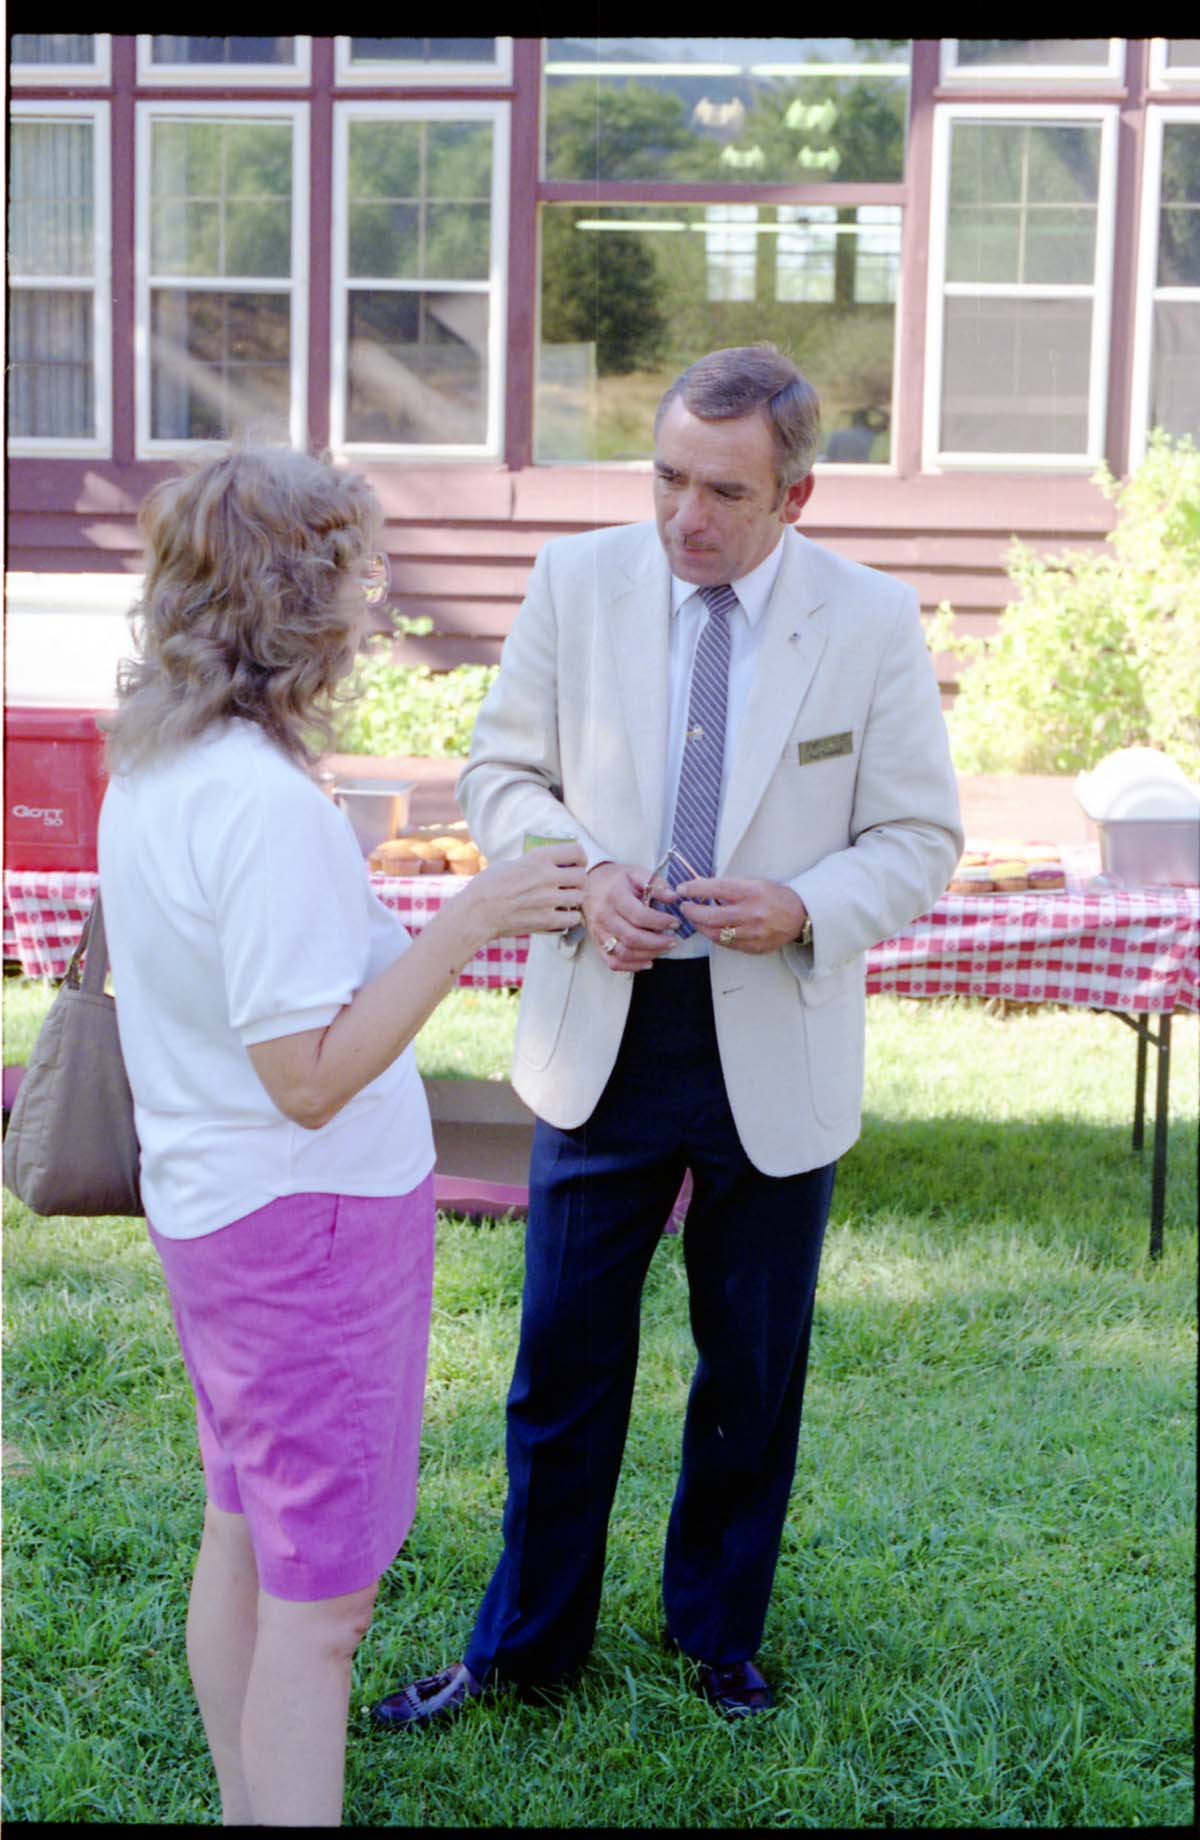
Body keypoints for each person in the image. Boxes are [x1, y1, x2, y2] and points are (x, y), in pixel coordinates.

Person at [371, 343, 962, 1728]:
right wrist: (580, 877)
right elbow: (499, 770)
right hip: (605, 1025)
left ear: (797, 495)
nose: (687, 515)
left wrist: (808, 902)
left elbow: (922, 837)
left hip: (777, 1038)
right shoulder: (577, 584)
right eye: (667, 479)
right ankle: (524, 1647)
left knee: (752, 1366)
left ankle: (718, 1633)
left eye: (724, 492)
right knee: (564, 1359)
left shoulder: (870, 620)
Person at [97, 444, 586, 1825]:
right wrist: (467, 921)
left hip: (221, 1216)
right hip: (306, 1230)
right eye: (358, 577)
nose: (374, 607)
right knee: (324, 1615)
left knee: (246, 1540)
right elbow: (306, 1077)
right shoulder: (258, 804)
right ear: (297, 604)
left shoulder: (166, 761)